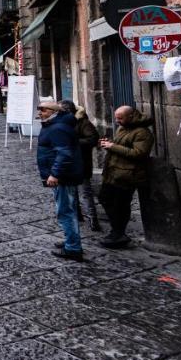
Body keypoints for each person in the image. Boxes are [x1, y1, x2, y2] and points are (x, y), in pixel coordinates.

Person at [98, 105, 155, 249]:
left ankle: (118, 234)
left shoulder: (142, 133)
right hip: (114, 172)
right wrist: (108, 144)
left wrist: (112, 147)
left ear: (130, 116)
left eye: (120, 118)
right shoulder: (123, 128)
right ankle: (116, 231)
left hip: (128, 175)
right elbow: (120, 145)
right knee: (105, 198)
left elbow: (139, 153)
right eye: (116, 118)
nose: (117, 121)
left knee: (120, 205)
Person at [37, 98, 83, 261]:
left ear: (54, 112)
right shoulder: (56, 125)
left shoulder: (58, 128)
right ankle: (71, 241)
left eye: (43, 110)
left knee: (65, 211)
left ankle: (73, 247)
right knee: (66, 210)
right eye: (39, 109)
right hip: (64, 175)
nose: (40, 113)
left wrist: (55, 174)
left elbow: (64, 153)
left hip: (64, 176)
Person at [61, 100, 102, 232]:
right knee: (71, 192)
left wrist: (74, 143)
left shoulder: (82, 122)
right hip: (67, 163)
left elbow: (93, 139)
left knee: (86, 192)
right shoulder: (62, 121)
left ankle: (93, 219)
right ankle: (77, 216)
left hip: (81, 161)